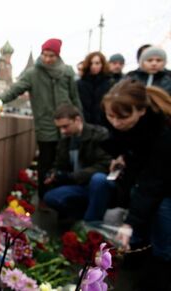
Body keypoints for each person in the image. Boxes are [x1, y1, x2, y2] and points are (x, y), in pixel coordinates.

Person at [102, 80, 171, 290]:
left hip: (165, 178)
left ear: (141, 111)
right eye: (110, 116)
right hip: (152, 176)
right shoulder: (127, 123)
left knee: (163, 216)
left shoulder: (164, 130)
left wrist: (130, 222)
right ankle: (139, 257)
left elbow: (153, 181)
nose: (115, 122)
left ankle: (161, 272)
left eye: (122, 117)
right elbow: (135, 164)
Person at [0, 38, 82, 198]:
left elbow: (75, 98)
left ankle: (63, 198)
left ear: (58, 55)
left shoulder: (67, 72)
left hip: (68, 126)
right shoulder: (33, 73)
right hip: (45, 125)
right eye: (45, 55)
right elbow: (14, 90)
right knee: (46, 162)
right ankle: (44, 198)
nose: (48, 59)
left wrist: (80, 119)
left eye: (51, 55)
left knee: (65, 163)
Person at [42, 104, 113, 222]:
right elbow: (59, 165)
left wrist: (71, 176)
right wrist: (53, 174)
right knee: (50, 198)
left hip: (99, 186)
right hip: (79, 186)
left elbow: (104, 165)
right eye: (59, 128)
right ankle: (82, 216)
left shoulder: (99, 134)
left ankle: (90, 224)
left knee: (98, 179)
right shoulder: (65, 141)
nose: (62, 131)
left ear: (78, 120)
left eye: (65, 126)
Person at [77, 51, 112, 125]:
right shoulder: (80, 84)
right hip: (85, 124)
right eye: (91, 63)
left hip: (104, 124)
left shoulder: (109, 83)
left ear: (102, 64)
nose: (93, 66)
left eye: (97, 63)